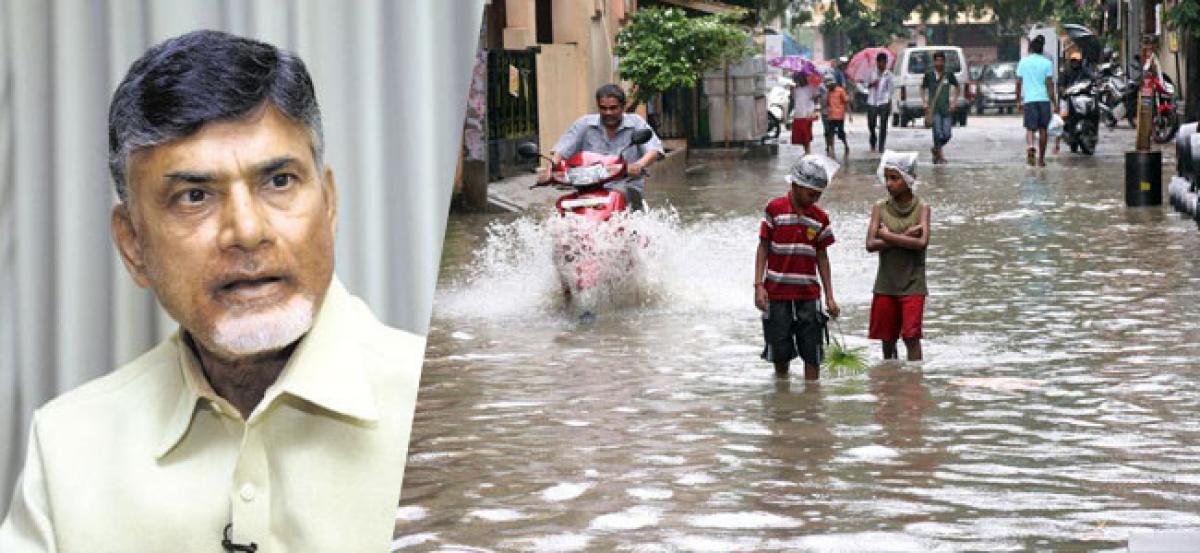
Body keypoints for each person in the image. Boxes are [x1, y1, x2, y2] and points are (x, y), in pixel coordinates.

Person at [0, 30, 424, 551]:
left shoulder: (437, 410)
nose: (247, 231)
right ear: (133, 244)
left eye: (279, 182)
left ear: (329, 204)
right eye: (194, 195)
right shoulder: (67, 449)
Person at [755, 155, 842, 380]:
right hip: (776, 292)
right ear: (794, 185)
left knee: (812, 352)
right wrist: (758, 285)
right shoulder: (774, 209)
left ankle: (811, 402)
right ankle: (783, 398)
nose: (815, 198)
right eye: (811, 193)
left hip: (808, 294)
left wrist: (830, 296)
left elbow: (822, 257)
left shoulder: (820, 218)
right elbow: (763, 248)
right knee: (780, 352)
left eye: (819, 194)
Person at [549, 83, 665, 211]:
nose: (608, 112)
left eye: (613, 108)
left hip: (626, 187)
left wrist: (638, 165)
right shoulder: (584, 124)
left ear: (623, 106)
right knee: (563, 207)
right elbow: (561, 151)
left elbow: (654, 150)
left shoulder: (636, 123)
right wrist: (550, 169)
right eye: (603, 108)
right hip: (587, 187)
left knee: (623, 195)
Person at [866, 151, 930, 362]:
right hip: (886, 284)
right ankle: (890, 382)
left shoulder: (922, 208)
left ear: (908, 179)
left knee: (912, 337)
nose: (889, 184)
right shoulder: (879, 208)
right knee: (887, 339)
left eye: (895, 178)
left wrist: (887, 235)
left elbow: (921, 243)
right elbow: (870, 244)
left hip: (913, 284)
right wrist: (902, 237)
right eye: (886, 178)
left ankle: (913, 381)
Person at [1016, 35, 1057, 167]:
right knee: (1043, 129)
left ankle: (1030, 147)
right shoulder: (1047, 63)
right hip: (1044, 100)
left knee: (1030, 129)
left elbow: (1018, 83)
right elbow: (1050, 84)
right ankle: (1041, 159)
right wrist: (1054, 102)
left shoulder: (1023, 62)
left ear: (1031, 48)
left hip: (1030, 100)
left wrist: (1018, 100)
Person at [921, 51, 959, 164]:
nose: (939, 62)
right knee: (937, 132)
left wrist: (953, 102)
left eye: (941, 60)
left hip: (946, 109)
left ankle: (936, 149)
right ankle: (939, 156)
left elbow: (957, 87)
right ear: (934, 61)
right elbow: (922, 88)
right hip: (934, 109)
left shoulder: (949, 75)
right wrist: (924, 102)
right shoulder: (929, 75)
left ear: (944, 61)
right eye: (937, 60)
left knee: (947, 134)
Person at [864, 52, 895, 152]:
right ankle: (873, 137)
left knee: (883, 124)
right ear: (877, 63)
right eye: (880, 62)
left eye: (884, 63)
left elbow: (891, 90)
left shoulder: (889, 75)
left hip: (883, 101)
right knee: (871, 123)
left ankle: (881, 146)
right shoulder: (870, 72)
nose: (882, 65)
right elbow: (863, 86)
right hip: (872, 101)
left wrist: (889, 102)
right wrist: (871, 84)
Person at [821, 74, 852, 158]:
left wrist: (850, 115)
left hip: (839, 116)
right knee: (830, 132)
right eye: (827, 86)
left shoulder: (840, 91)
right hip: (831, 116)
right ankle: (831, 148)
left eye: (830, 85)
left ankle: (845, 144)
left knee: (840, 133)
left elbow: (846, 102)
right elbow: (827, 104)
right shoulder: (828, 93)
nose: (829, 87)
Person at [791, 76, 820, 154]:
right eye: (798, 79)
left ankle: (808, 151)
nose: (800, 80)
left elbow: (817, 95)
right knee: (801, 134)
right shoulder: (796, 89)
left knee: (806, 132)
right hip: (799, 113)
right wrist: (792, 90)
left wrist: (814, 96)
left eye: (801, 78)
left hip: (808, 113)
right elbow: (793, 98)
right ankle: (806, 150)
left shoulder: (811, 87)